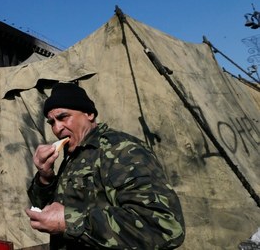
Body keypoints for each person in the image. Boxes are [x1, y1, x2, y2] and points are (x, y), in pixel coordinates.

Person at [25, 82, 185, 249]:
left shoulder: (122, 150)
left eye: (63, 117)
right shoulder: (73, 155)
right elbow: (51, 210)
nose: (57, 128)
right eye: (51, 122)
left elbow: (163, 227)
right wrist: (45, 176)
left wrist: (68, 221)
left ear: (89, 114)